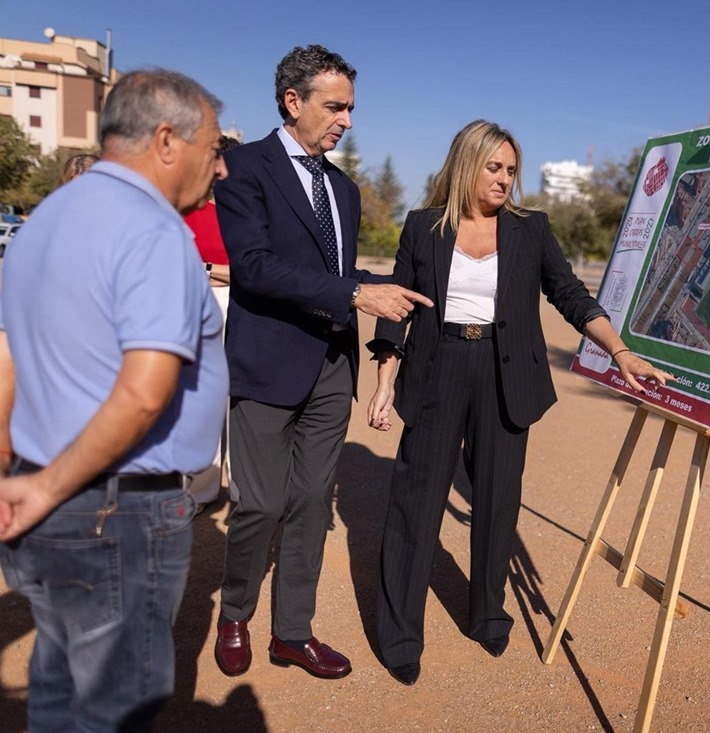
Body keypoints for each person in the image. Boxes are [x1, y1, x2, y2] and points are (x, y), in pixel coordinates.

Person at [366, 119, 671, 686]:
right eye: (494, 167)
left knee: (498, 501)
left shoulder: (531, 229)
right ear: (466, 165)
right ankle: (401, 634)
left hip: (504, 375)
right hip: (437, 368)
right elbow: (398, 308)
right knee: (416, 504)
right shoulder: (422, 226)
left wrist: (619, 350)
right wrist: (385, 381)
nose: (505, 178)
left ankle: (486, 612)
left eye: (511, 170)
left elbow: (569, 294)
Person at [0, 69, 229, 732]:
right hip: (115, 509)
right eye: (213, 150)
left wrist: (18, 473)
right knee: (113, 707)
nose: (219, 169)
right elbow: (143, 393)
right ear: (167, 139)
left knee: (57, 683)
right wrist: (46, 487)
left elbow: (6, 358)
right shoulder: (153, 233)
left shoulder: (45, 221)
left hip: (50, 495)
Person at [212, 45, 432, 681]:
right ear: (293, 102)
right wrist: (356, 293)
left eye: (351, 108)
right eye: (335, 107)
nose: (347, 120)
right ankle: (234, 613)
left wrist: (389, 288)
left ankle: (292, 632)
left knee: (311, 500)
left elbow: (331, 275)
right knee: (257, 502)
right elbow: (252, 264)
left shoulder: (344, 188)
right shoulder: (243, 167)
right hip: (268, 361)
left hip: (334, 365)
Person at [183, 134, 240, 507]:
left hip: (240, 306)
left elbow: (252, 272)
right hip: (197, 307)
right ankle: (200, 490)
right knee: (201, 399)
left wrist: (208, 268)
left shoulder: (245, 215)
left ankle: (242, 490)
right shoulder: (190, 210)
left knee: (238, 399)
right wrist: (219, 271)